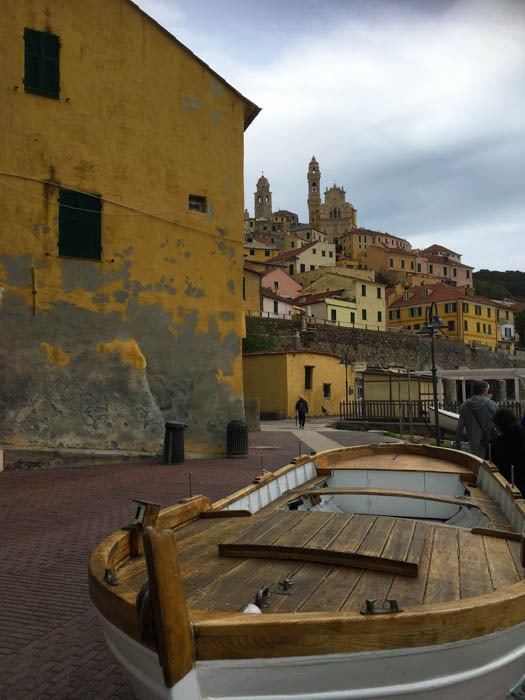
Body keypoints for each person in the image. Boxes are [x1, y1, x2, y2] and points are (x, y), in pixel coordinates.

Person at [454, 380, 497, 458]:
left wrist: (457, 443)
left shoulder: (465, 406)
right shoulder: (491, 404)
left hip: (473, 441)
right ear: (485, 390)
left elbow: (459, 427)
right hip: (489, 440)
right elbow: (499, 423)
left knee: (477, 463)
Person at [488, 409, 525, 493]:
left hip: (505, 487)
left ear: (499, 426)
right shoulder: (522, 437)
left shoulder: (494, 445)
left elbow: (490, 467)